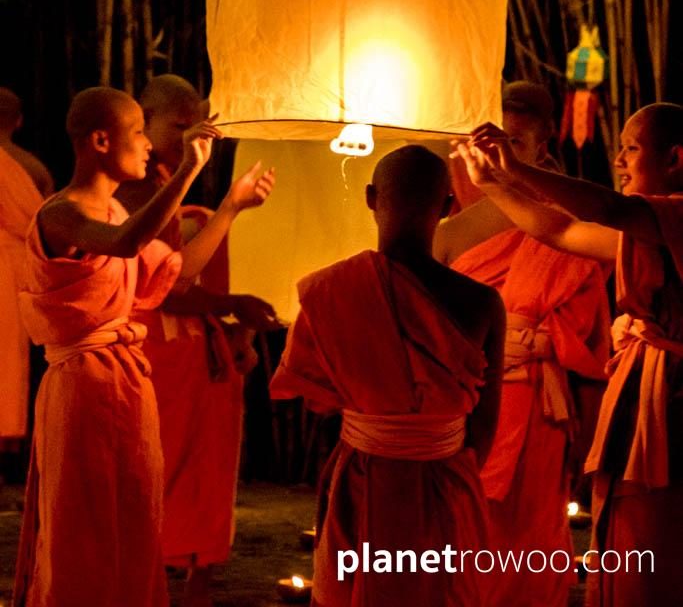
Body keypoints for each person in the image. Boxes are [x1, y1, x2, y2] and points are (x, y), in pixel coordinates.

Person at [13, 86, 275, 607]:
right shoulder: (60, 214)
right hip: (82, 388)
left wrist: (230, 207)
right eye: (138, 131)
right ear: (101, 141)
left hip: (128, 385)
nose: (149, 144)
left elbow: (178, 273)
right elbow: (125, 244)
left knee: (135, 518)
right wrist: (188, 172)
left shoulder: (114, 212)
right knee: (83, 525)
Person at [460, 102, 683, 607]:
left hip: (674, 400)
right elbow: (560, 231)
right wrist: (495, 184)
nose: (620, 161)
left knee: (660, 535)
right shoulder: (645, 232)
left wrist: (517, 170)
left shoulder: (675, 215)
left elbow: (608, 209)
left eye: (631, 148)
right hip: (642, 395)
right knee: (629, 530)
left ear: (674, 158)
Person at [270, 145, 505, 607]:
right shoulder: (482, 303)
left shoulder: (331, 291)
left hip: (361, 477)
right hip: (446, 480)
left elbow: (318, 400)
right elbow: (485, 424)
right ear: (448, 206)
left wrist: (377, 421)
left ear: (371, 198)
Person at [433, 83, 611, 607]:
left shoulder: (570, 221)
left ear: (541, 148)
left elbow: (590, 337)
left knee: (530, 528)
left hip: (537, 405)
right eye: (489, 143)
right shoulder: (451, 231)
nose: (498, 155)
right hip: (466, 398)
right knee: (465, 526)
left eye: (513, 142)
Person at [117, 74, 279, 607]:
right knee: (157, 468)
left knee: (207, 469)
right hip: (153, 349)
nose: (189, 139)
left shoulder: (168, 184)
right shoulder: (134, 189)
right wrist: (230, 304)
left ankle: (198, 579)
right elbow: (163, 285)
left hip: (193, 347)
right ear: (143, 121)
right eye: (179, 127)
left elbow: (184, 276)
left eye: (196, 127)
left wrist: (233, 322)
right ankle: (147, 577)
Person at [0, 89, 53, 480]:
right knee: (15, 360)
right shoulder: (34, 168)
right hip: (23, 272)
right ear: (18, 122)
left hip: (12, 267)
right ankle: (14, 459)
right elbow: (48, 227)